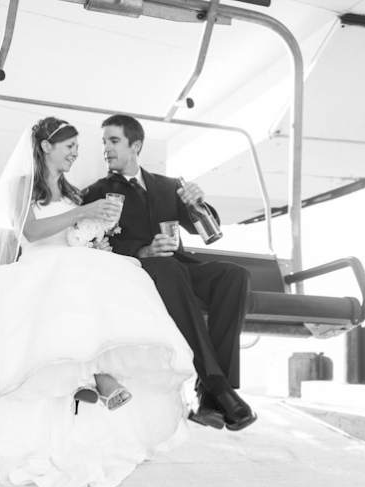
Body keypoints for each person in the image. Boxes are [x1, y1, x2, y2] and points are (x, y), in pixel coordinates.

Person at [0, 117, 196, 487]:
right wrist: (82, 214)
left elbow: (78, 236)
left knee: (116, 274)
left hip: (73, 263)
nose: (76, 154)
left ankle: (95, 375)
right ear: (46, 146)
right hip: (40, 262)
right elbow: (29, 231)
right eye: (70, 147)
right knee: (71, 281)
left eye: (78, 148)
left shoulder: (73, 192)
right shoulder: (21, 186)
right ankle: (97, 377)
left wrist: (97, 228)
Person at [82, 114, 257, 432]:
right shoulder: (96, 192)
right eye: (104, 142)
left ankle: (207, 399)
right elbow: (94, 246)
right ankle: (217, 386)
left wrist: (199, 204)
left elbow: (210, 231)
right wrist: (142, 252)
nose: (106, 148)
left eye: (113, 140)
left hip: (176, 268)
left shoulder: (169, 186)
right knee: (167, 266)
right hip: (135, 273)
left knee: (235, 276)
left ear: (135, 145)